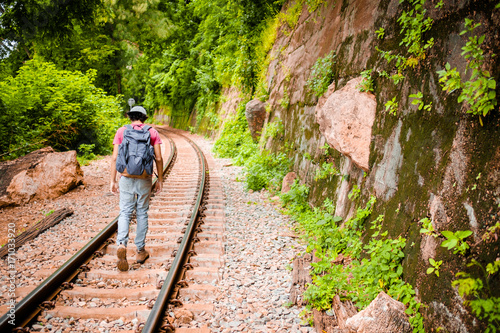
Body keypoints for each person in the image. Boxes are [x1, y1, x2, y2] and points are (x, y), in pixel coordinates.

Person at [110, 105, 163, 271]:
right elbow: (159, 158)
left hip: (125, 177)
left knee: (125, 212)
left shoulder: (121, 131)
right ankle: (140, 250)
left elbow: (114, 157)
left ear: (130, 117)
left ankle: (121, 244)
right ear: (144, 118)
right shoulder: (152, 132)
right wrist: (160, 179)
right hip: (144, 178)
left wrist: (112, 180)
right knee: (141, 212)